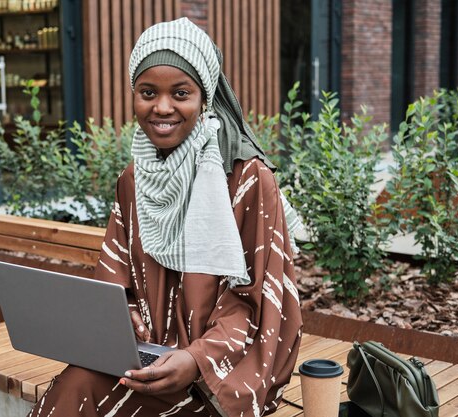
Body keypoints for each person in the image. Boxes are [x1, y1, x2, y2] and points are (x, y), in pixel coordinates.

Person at [28, 17, 303, 417]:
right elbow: (115, 274)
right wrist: (124, 314)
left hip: (220, 374)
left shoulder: (246, 179)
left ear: (204, 97)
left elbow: (259, 301)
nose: (161, 107)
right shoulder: (134, 178)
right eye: (147, 92)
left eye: (180, 93)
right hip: (147, 360)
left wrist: (195, 359)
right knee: (74, 388)